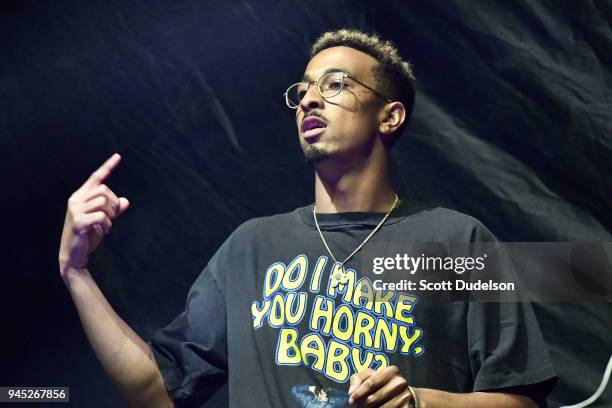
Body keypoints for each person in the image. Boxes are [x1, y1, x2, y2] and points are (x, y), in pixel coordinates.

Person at [59, 29, 556, 408]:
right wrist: (77, 273)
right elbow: (154, 392)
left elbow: (523, 400)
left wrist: (422, 402)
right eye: (303, 91)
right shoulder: (250, 246)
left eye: (336, 84)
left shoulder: (457, 240)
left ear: (391, 116)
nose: (310, 100)